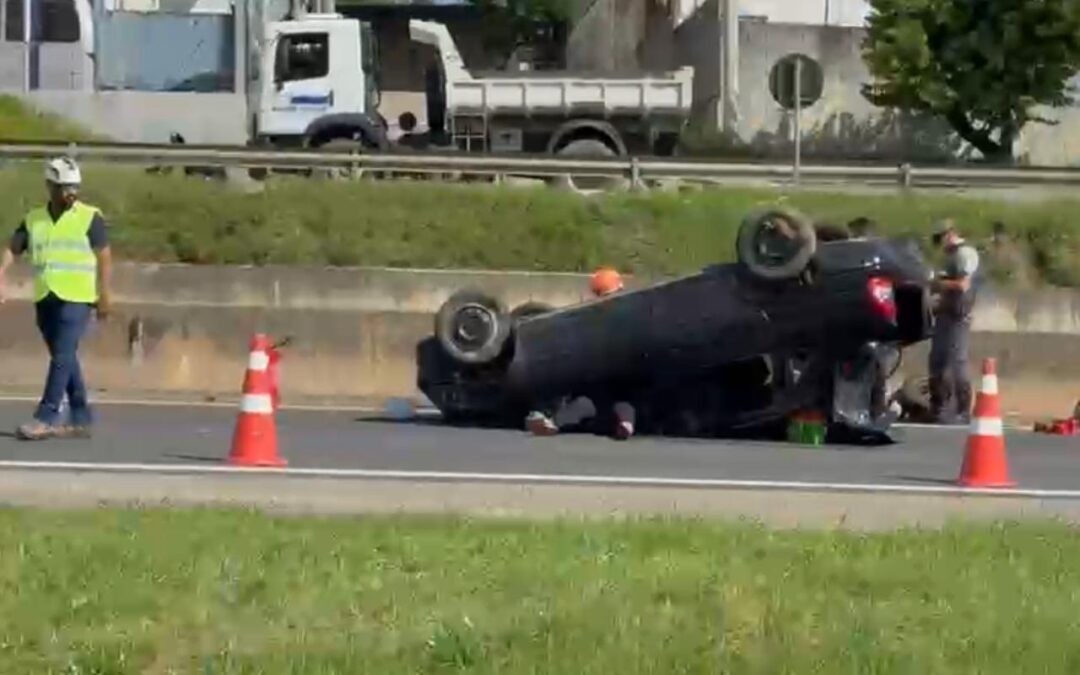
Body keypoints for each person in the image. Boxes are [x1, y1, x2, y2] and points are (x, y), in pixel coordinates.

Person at [0, 157, 113, 440]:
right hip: (45, 296)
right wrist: (2, 274)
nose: (71, 193)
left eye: (74, 187)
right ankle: (81, 417)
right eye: (64, 187)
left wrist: (105, 294)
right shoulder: (34, 218)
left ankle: (46, 416)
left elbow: (104, 256)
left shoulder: (90, 217)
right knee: (64, 357)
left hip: (77, 298)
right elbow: (14, 248)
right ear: (50, 187)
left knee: (62, 355)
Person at [524, 266, 636, 440]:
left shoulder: (625, 313)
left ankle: (624, 423)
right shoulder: (598, 316)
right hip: (603, 382)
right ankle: (553, 423)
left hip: (623, 381)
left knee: (618, 401)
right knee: (589, 403)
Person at [927, 218, 980, 424]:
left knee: (958, 362)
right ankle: (938, 407)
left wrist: (937, 284)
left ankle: (962, 410)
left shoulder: (965, 254)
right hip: (944, 313)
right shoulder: (949, 256)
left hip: (958, 316)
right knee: (937, 361)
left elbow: (962, 285)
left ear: (949, 234)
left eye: (940, 239)